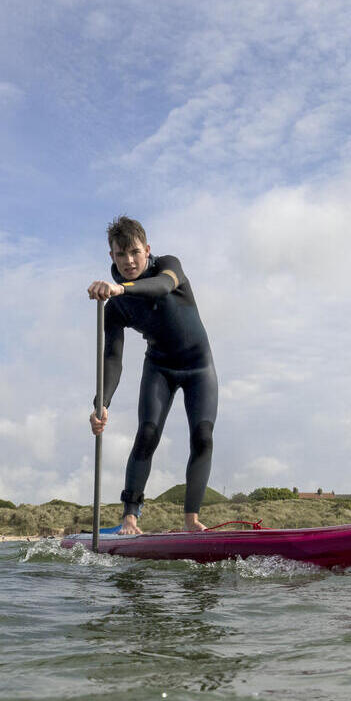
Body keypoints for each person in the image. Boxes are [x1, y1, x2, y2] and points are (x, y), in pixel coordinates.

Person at [88, 216, 217, 535]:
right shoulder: (115, 305)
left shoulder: (168, 266)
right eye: (120, 255)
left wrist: (120, 288)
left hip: (199, 367)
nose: (129, 261)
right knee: (147, 434)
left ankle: (191, 521)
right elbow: (113, 358)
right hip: (159, 367)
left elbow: (161, 288)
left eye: (134, 252)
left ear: (147, 249)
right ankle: (130, 520)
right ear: (112, 256)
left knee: (202, 436)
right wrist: (101, 403)